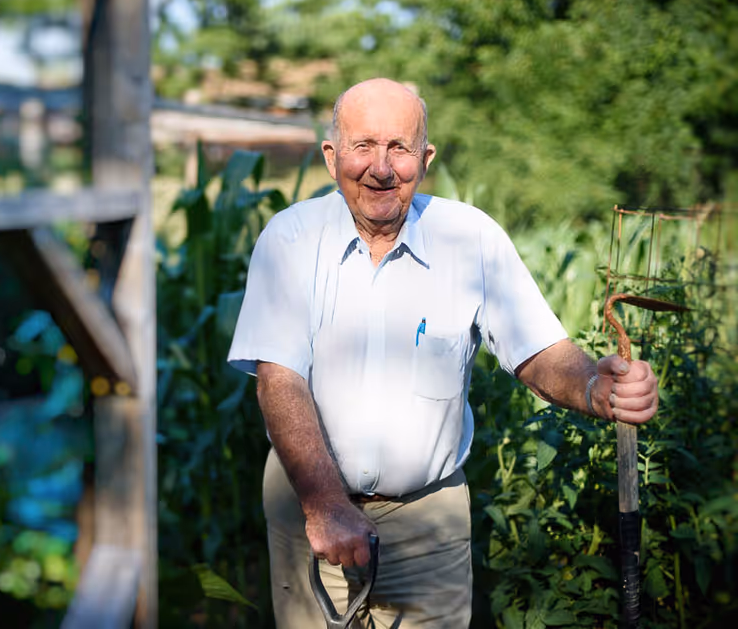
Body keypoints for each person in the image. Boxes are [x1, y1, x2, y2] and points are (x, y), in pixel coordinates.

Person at [227, 78, 658, 628]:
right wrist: (326, 506)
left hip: (428, 524)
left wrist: (596, 388)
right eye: (363, 146)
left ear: (425, 159)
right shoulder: (289, 240)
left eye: (399, 148)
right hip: (309, 514)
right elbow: (278, 380)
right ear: (332, 158)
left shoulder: (470, 238)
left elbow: (539, 351)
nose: (381, 168)